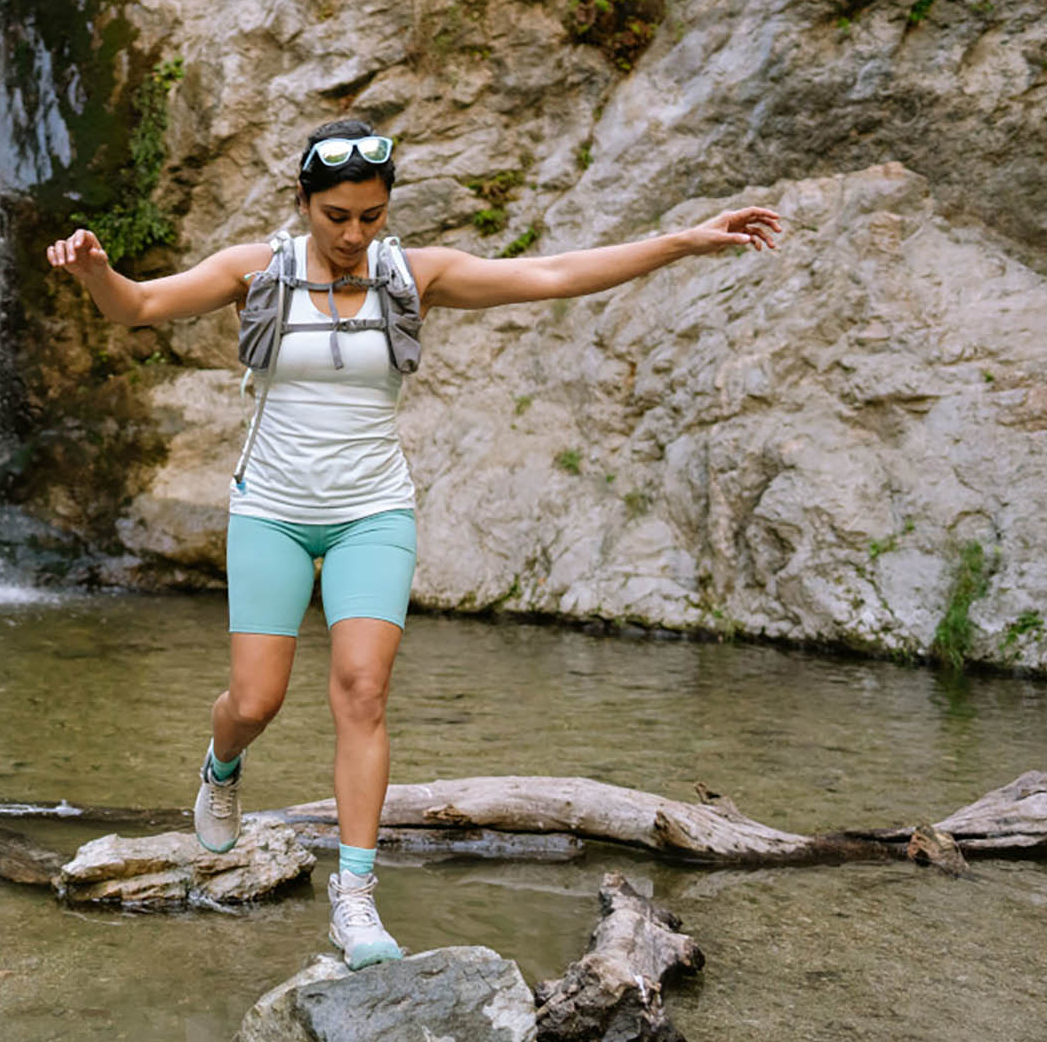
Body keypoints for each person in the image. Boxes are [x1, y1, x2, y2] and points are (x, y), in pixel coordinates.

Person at [44, 118, 782, 968]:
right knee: (255, 703)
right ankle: (220, 768)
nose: (355, 235)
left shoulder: (411, 275)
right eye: (337, 217)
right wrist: (98, 271)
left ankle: (354, 897)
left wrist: (682, 243)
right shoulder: (258, 271)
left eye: (371, 215)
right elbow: (136, 306)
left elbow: (550, 275)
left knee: (363, 692)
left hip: (374, 512)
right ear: (303, 204)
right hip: (272, 511)